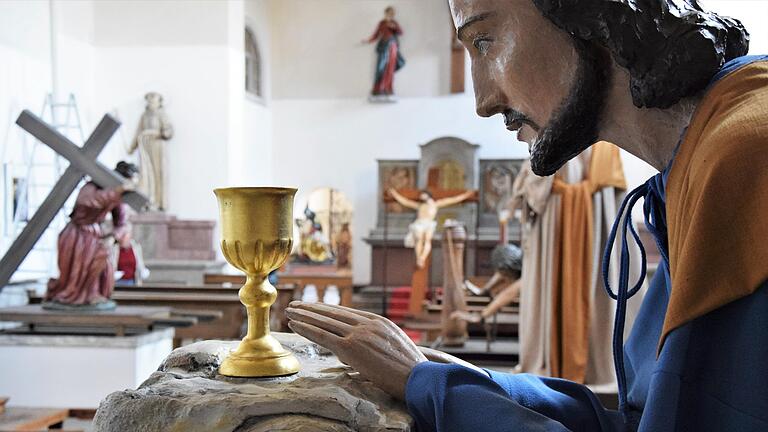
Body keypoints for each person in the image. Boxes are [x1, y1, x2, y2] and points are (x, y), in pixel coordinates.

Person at [287, 0, 768, 430]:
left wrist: (429, 386)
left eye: (484, 41)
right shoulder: (698, 161)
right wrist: (454, 379)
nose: (481, 100)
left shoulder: (750, 160)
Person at [44, 161, 139, 309]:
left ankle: (95, 294)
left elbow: (122, 222)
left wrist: (114, 236)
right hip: (77, 234)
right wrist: (117, 191)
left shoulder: (117, 196)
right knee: (79, 270)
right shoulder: (91, 187)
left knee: (103, 264)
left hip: (95, 234)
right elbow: (90, 202)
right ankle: (79, 296)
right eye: (130, 182)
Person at [389, 188, 475, 268]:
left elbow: (453, 200)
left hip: (429, 223)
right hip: (419, 223)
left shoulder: (436, 204)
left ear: (427, 195)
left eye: (422, 194)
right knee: (419, 239)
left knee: (427, 240)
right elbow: (405, 202)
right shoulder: (419, 205)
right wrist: (395, 194)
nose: (420, 196)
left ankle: (422, 257)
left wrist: (466, 195)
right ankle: (419, 258)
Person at [129, 92, 173, 211]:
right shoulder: (144, 115)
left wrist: (157, 133)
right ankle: (149, 199)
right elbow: (138, 132)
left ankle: (159, 202)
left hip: (158, 147)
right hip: (145, 147)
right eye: (149, 99)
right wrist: (132, 147)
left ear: (159, 101)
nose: (151, 101)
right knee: (147, 174)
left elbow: (168, 131)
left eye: (154, 99)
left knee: (158, 173)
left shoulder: (162, 114)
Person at [363, 6, 405, 98]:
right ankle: (377, 89)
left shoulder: (394, 23)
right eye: (388, 12)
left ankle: (388, 89)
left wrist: (394, 27)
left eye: (391, 13)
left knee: (390, 69)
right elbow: (376, 35)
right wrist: (367, 40)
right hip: (383, 47)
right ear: (385, 13)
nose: (389, 14)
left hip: (392, 47)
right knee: (380, 68)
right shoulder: (381, 23)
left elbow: (401, 32)